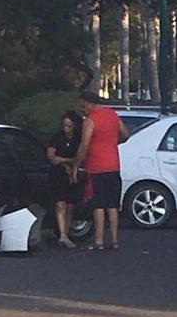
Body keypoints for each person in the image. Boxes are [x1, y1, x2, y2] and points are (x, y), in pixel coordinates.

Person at [75, 90, 130, 251]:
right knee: (112, 204)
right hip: (114, 165)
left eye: (83, 106)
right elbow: (126, 134)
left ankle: (98, 240)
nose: (82, 109)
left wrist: (77, 164)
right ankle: (114, 240)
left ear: (89, 103)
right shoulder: (112, 115)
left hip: (97, 166)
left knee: (98, 204)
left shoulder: (90, 120)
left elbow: (84, 144)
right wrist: (113, 143)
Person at [47, 111, 84, 249]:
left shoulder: (79, 139)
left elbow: (80, 157)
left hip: (73, 173)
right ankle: (62, 235)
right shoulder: (57, 137)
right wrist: (66, 162)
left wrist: (64, 160)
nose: (66, 128)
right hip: (58, 173)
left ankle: (66, 233)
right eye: (64, 125)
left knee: (70, 205)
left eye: (69, 125)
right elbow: (51, 156)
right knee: (60, 203)